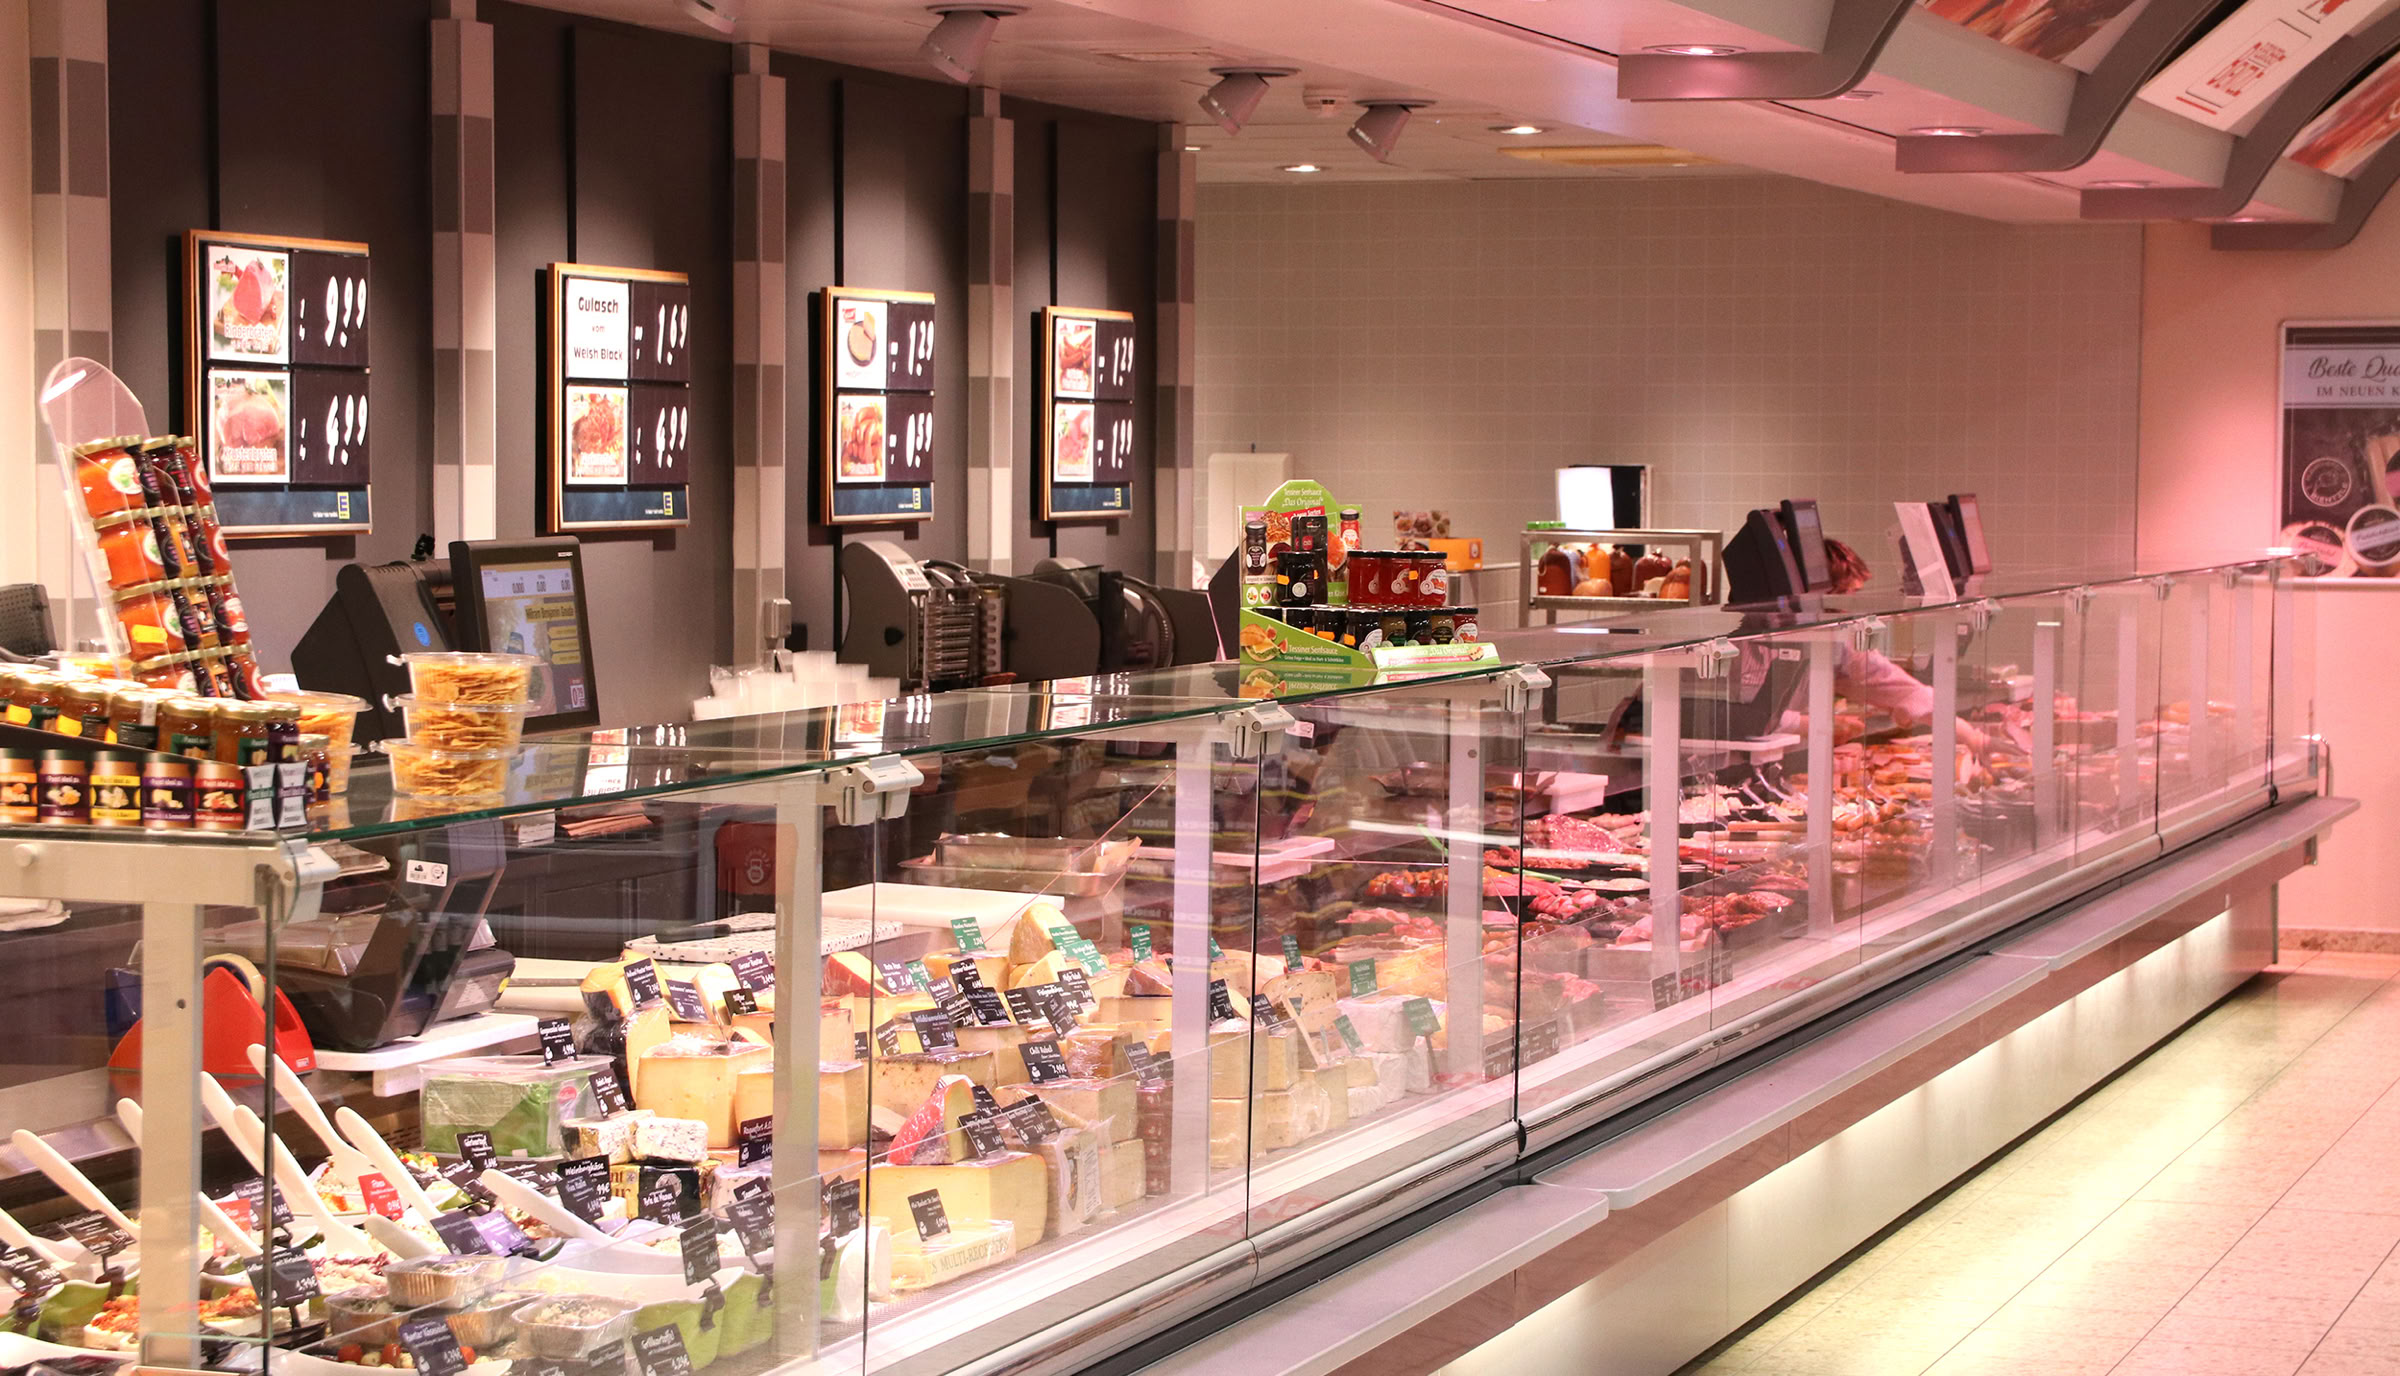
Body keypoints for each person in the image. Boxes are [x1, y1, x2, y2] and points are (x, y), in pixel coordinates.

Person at [1806, 538, 1989, 756]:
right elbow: (1769, 712)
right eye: (1845, 595)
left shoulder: (1842, 638)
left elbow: (1890, 683)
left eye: (1854, 595)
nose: (1849, 605)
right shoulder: (1780, 637)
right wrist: (1806, 724)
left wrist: (1970, 735)